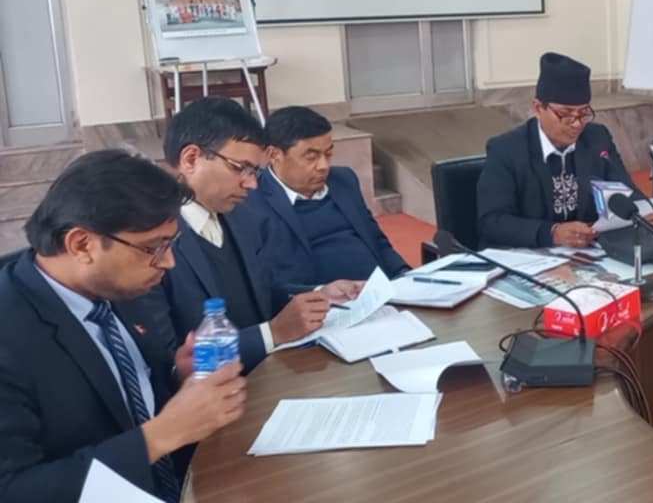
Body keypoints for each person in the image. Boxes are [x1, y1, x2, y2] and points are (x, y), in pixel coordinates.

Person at [0, 150, 246, 503]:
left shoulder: (119, 289)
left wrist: (177, 377)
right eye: (153, 248)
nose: (169, 262)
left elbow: (127, 399)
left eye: (170, 244)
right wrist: (160, 435)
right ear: (81, 245)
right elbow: (13, 489)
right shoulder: (11, 331)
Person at [135, 97, 360, 373]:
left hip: (274, 373)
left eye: (254, 171)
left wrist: (318, 293)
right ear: (191, 158)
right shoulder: (148, 244)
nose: (251, 184)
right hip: (213, 392)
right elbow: (169, 362)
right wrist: (271, 333)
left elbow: (263, 291)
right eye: (239, 168)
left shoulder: (241, 217)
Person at [477, 52, 637, 249]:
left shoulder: (597, 138)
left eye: (583, 113)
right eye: (566, 114)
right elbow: (492, 222)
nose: (577, 124)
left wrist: (638, 213)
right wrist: (552, 233)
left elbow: (626, 192)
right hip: (530, 255)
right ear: (538, 108)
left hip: (588, 253)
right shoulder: (507, 150)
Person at [244, 106, 409, 285]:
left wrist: (404, 275)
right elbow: (265, 281)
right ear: (274, 154)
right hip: (320, 299)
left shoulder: (344, 180)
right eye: (311, 157)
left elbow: (376, 240)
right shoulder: (252, 201)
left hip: (380, 290)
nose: (323, 166)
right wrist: (318, 294)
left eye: (328, 154)